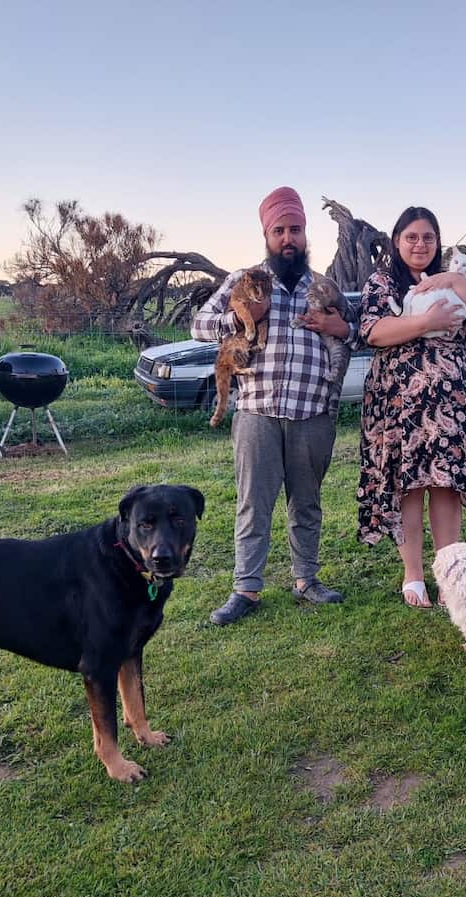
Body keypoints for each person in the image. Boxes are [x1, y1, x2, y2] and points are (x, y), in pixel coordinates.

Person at [192, 186, 357, 626]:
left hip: (312, 413)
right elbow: (199, 324)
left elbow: (355, 332)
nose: (289, 239)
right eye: (280, 230)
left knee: (307, 501)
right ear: (266, 234)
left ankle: (307, 580)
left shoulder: (323, 286)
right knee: (253, 503)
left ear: (305, 235)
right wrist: (248, 317)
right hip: (256, 412)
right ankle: (246, 588)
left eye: (296, 230)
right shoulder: (244, 280)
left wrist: (340, 326)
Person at [356, 206, 466, 608]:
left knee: (446, 484)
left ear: (438, 242)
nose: (420, 244)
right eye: (411, 237)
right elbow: (373, 331)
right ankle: (413, 575)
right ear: (397, 241)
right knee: (409, 486)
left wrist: (454, 279)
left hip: (451, 404)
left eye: (428, 237)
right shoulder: (383, 283)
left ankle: (448, 571)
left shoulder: (453, 282)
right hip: (401, 404)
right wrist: (427, 321)